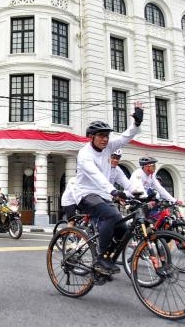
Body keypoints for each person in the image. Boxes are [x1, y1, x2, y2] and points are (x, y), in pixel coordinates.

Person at [74, 101, 144, 275]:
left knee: (123, 230)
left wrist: (136, 123)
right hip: (85, 194)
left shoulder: (109, 147)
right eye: (101, 135)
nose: (105, 139)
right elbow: (96, 176)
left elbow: (126, 137)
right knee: (110, 215)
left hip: (103, 195)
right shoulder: (84, 154)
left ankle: (108, 257)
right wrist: (113, 190)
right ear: (91, 137)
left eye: (107, 135)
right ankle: (100, 259)